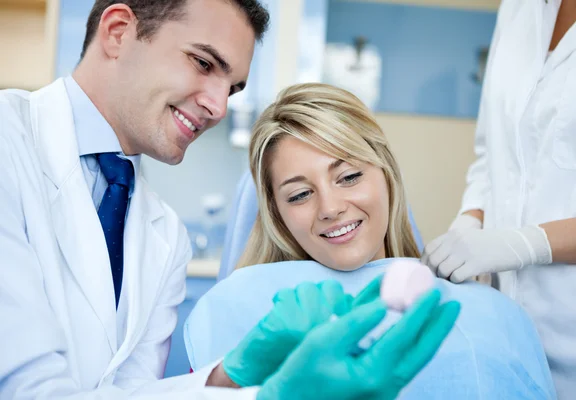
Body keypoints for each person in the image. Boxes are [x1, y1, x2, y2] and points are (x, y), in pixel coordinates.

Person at [0, 0, 456, 399]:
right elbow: (25, 389)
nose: (220, 107)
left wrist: (231, 375)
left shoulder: (164, 235)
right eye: (203, 63)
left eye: (234, 87)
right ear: (119, 32)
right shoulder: (8, 143)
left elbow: (129, 394)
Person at [184, 83, 557, 399]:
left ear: (386, 173)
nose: (330, 208)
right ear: (275, 213)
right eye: (299, 195)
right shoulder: (238, 309)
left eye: (348, 177)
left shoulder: (488, 314)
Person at [420, 0, 576, 397]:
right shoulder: (518, 8)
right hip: (510, 329)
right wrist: (470, 222)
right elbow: (493, 153)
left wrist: (523, 244)